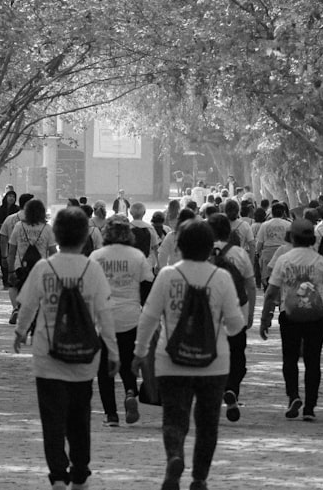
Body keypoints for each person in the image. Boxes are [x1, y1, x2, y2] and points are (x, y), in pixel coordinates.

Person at [133, 219, 245, 490]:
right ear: (210, 248)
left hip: (171, 362)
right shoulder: (221, 278)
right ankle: (199, 478)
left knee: (174, 417)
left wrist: (139, 352)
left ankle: (175, 456)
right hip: (214, 364)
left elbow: (148, 316)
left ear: (179, 246)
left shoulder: (168, 275)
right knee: (207, 424)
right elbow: (235, 325)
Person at [14, 207, 118, 490]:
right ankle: (80, 471)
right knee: (79, 416)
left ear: (56, 234)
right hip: (84, 358)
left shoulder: (43, 268)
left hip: (48, 356)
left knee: (52, 419)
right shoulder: (92, 269)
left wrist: (20, 332)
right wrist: (113, 351)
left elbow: (28, 306)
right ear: (85, 236)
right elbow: (104, 313)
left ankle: (58, 475)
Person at [261, 219, 323, 422]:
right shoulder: (321, 260)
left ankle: (293, 396)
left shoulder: (284, 260)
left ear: (292, 237)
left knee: (290, 358)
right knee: (313, 361)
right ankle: (310, 407)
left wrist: (265, 318)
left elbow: (271, 293)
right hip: (317, 316)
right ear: (312, 238)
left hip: (290, 315)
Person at [91, 215, 154, 427]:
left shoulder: (96, 256)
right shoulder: (137, 256)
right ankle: (130, 393)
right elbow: (147, 287)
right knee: (128, 362)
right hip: (131, 317)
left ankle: (111, 415)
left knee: (104, 368)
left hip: (103, 318)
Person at [207, 213, 256, 423]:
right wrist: (251, 312)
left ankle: (212, 393)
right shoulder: (239, 253)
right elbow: (250, 285)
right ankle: (232, 388)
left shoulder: (203, 252)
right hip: (237, 311)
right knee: (237, 355)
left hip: (209, 311)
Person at [8, 199, 58, 324]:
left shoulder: (19, 226)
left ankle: (17, 309)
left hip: (21, 267)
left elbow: (12, 250)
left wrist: (10, 270)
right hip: (41, 268)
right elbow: (53, 251)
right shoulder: (47, 228)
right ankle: (35, 318)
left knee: (18, 288)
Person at [0, 193, 34, 318]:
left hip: (14, 258)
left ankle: (15, 308)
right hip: (34, 260)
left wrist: (4, 256)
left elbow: (3, 239)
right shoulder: (37, 221)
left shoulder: (10, 219)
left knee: (13, 284)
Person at [255, 202, 291, 289]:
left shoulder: (265, 225)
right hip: (284, 255)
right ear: (283, 213)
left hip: (268, 256)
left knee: (268, 282)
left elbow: (259, 243)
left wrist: (258, 253)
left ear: (272, 213)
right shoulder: (288, 225)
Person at [0, 190, 20, 288]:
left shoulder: (17, 210)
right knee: (3, 258)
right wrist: (1, 227)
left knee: (13, 258)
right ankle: (5, 281)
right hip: (2, 238)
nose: (11, 198)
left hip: (14, 239)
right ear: (6, 197)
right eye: (9, 196)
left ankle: (13, 278)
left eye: (13, 196)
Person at [129, 202, 160, 271]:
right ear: (144, 213)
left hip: (130, 264)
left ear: (130, 213)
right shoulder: (150, 228)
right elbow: (156, 248)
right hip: (147, 264)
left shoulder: (126, 228)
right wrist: (158, 263)